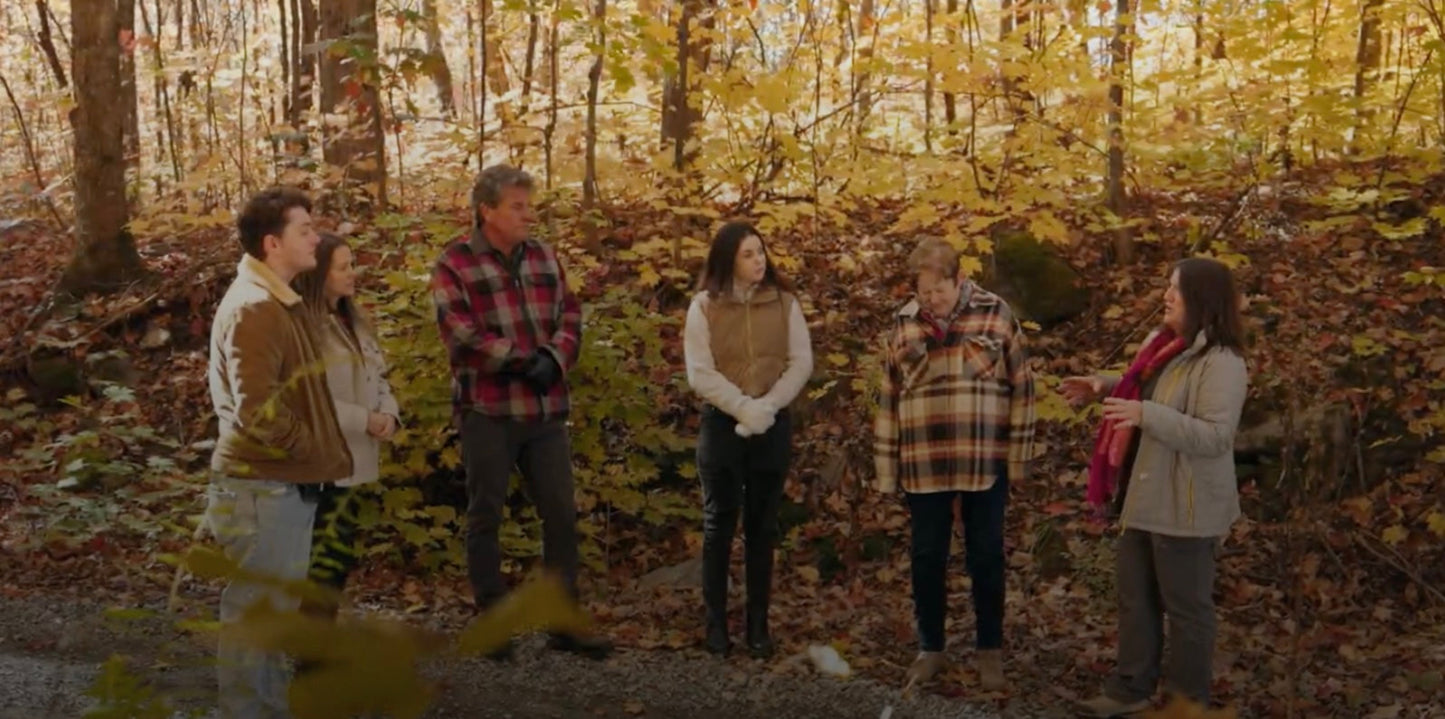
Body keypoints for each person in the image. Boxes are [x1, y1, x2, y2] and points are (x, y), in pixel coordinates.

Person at [430, 163, 611, 659]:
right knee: (486, 513)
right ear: (487, 210)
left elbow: (570, 313)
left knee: (559, 513)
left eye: (530, 205)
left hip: (545, 408)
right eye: (518, 206)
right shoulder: (455, 263)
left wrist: (554, 358)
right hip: (487, 409)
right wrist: (518, 359)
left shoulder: (544, 257)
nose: (529, 215)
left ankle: (563, 622)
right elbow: (459, 332)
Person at [1066, 258, 1248, 717]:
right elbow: (1141, 392)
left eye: (1176, 290)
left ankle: (1186, 704)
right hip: (1142, 494)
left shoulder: (1222, 363)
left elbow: (1215, 436)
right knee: (1136, 600)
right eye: (1168, 286)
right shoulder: (1160, 345)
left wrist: (1148, 417)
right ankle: (1132, 690)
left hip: (1187, 507)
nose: (1166, 296)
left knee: (1187, 614)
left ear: (1202, 301)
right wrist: (1101, 385)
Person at [205, 186, 353, 718]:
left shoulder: (276, 300)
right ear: (273, 243)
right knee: (257, 620)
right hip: (262, 486)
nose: (316, 237)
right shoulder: (255, 307)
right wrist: (307, 447)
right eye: (305, 230)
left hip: (277, 484)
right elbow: (257, 408)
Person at [872, 236, 1036, 691]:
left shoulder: (996, 313)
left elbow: (1024, 387)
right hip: (924, 464)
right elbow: (887, 399)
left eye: (938, 292)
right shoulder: (902, 324)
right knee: (926, 557)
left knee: (985, 554)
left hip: (983, 461)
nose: (931, 301)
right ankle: (931, 647)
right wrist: (886, 469)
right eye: (923, 293)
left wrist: (1019, 459)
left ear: (958, 279)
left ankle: (990, 649)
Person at [683, 221, 814, 658]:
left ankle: (758, 625)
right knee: (719, 525)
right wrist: (743, 408)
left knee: (762, 527)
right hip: (723, 426)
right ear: (727, 261)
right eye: (748, 254)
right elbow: (700, 372)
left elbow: (800, 363)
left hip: (771, 424)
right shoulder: (704, 307)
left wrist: (768, 407)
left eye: (760, 252)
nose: (759, 261)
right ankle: (716, 624)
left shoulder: (784, 303)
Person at [291, 233, 401, 614]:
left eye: (352, 264)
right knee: (320, 565)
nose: (353, 273)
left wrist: (389, 414)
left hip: (355, 460)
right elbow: (307, 397)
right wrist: (363, 419)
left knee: (337, 563)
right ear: (319, 274)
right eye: (343, 267)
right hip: (321, 463)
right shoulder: (305, 328)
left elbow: (380, 376)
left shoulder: (355, 320)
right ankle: (312, 658)